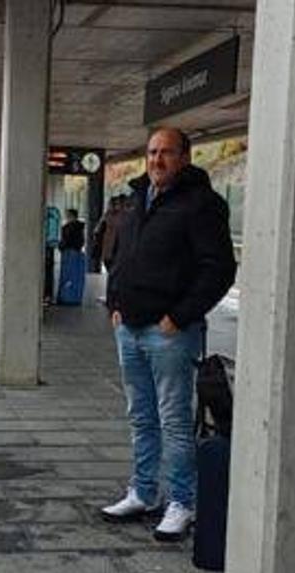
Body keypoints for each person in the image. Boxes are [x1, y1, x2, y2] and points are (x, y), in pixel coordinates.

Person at [101, 127, 237, 541]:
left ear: (185, 157)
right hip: (130, 328)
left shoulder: (202, 205)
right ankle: (143, 491)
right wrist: (115, 305)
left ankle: (183, 502)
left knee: (175, 420)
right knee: (141, 416)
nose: (157, 160)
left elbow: (219, 268)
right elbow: (121, 256)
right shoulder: (138, 199)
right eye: (152, 152)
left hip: (170, 333)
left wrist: (179, 316)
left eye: (167, 153)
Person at [97, 195, 126, 273]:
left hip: (112, 247)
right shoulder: (110, 215)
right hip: (111, 247)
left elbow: (97, 230)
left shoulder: (108, 215)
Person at [43, 205, 61, 302]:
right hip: (51, 244)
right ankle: (48, 294)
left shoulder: (47, 214)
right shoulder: (53, 213)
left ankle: (46, 293)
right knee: (49, 270)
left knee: (46, 270)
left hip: (45, 244)